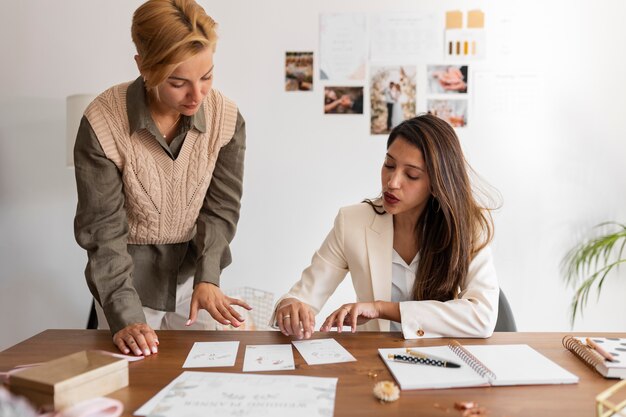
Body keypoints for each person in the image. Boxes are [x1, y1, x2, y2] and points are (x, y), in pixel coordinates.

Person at [74, 0, 251, 356]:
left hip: (194, 279)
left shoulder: (227, 120)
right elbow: (104, 232)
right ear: (143, 66)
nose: (197, 95)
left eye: (207, 76)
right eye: (177, 82)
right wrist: (125, 316)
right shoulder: (102, 122)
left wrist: (208, 277)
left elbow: (220, 210)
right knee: (133, 389)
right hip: (125, 282)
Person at [272, 114, 498, 340]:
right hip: (373, 361)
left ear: (438, 183)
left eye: (411, 175)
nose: (392, 182)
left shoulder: (466, 227)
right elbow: (304, 297)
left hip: (442, 359)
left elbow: (483, 317)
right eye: (389, 164)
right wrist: (291, 308)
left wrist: (381, 308)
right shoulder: (352, 222)